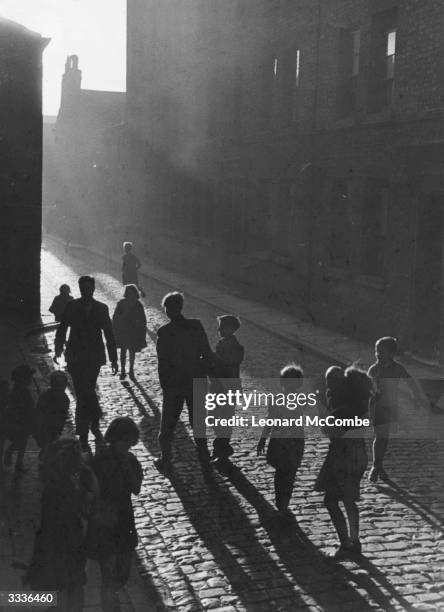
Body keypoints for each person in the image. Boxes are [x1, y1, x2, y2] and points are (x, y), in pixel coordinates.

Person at [25, 437, 98, 612]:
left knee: (56, 585)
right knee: (72, 586)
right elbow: (94, 494)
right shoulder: (71, 487)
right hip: (70, 539)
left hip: (49, 540)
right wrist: (86, 469)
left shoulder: (52, 481)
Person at [55, 276, 118, 451]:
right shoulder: (72, 306)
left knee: (86, 390)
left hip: (93, 358)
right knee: (84, 392)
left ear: (93, 289)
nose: (86, 291)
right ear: (80, 289)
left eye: (89, 288)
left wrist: (113, 358)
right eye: (83, 288)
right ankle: (88, 428)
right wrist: (58, 349)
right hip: (75, 357)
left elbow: (109, 334)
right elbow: (62, 328)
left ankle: (90, 426)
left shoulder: (101, 308)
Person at [314, 366, 371, 559]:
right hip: (357, 454)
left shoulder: (342, 407)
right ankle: (354, 541)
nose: (328, 386)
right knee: (348, 500)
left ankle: (346, 543)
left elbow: (333, 433)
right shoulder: (355, 403)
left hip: (342, 456)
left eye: (330, 381)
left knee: (331, 501)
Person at [87, 417, 143, 612]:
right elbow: (91, 489)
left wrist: (128, 472)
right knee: (108, 571)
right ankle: (109, 604)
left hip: (124, 518)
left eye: (130, 442)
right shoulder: (100, 460)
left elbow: (136, 489)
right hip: (105, 519)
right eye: (123, 441)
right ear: (114, 439)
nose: (127, 445)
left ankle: (112, 596)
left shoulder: (131, 460)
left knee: (123, 571)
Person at [155, 291, 213, 472]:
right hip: (195, 382)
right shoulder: (196, 326)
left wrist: (165, 385)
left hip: (174, 385)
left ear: (166, 310)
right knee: (198, 422)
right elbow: (208, 354)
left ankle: (166, 459)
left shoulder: (164, 332)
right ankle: (204, 456)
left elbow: (162, 363)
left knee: (168, 426)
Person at [367, 336, 424, 482]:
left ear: (391, 354)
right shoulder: (374, 369)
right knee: (379, 437)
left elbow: (410, 381)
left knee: (384, 439)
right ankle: (375, 466)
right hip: (377, 407)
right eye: (376, 351)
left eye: (382, 351)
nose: (378, 354)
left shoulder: (398, 368)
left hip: (391, 407)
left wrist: (417, 397)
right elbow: (366, 388)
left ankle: (379, 466)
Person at [257, 365, 305, 515]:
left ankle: (283, 501)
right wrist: (263, 438)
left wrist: (263, 439)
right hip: (286, 441)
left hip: (290, 441)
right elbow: (270, 420)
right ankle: (282, 501)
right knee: (284, 472)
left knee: (287, 472)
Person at [210, 315, 244, 470]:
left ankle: (221, 451)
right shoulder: (221, 344)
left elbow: (226, 366)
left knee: (224, 420)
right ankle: (222, 447)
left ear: (230, 329)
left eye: (222, 326)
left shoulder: (236, 349)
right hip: (218, 388)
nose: (218, 329)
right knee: (214, 418)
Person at [3, 365, 35, 474]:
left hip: (16, 422)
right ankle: (18, 462)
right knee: (22, 442)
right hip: (20, 423)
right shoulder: (22, 393)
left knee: (20, 442)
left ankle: (15, 459)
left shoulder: (16, 391)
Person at [112, 285, 147, 380]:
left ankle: (131, 369)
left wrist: (141, 329)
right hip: (123, 330)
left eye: (132, 294)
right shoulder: (121, 303)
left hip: (133, 331)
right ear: (127, 294)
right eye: (129, 294)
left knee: (132, 350)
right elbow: (115, 317)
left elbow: (143, 319)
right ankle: (123, 369)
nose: (131, 296)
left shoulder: (138, 305)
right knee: (123, 351)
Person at [34, 371, 70, 463]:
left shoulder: (65, 399)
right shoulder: (46, 397)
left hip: (54, 428)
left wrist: (58, 429)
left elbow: (62, 416)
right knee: (48, 446)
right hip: (43, 427)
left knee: (50, 447)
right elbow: (40, 414)